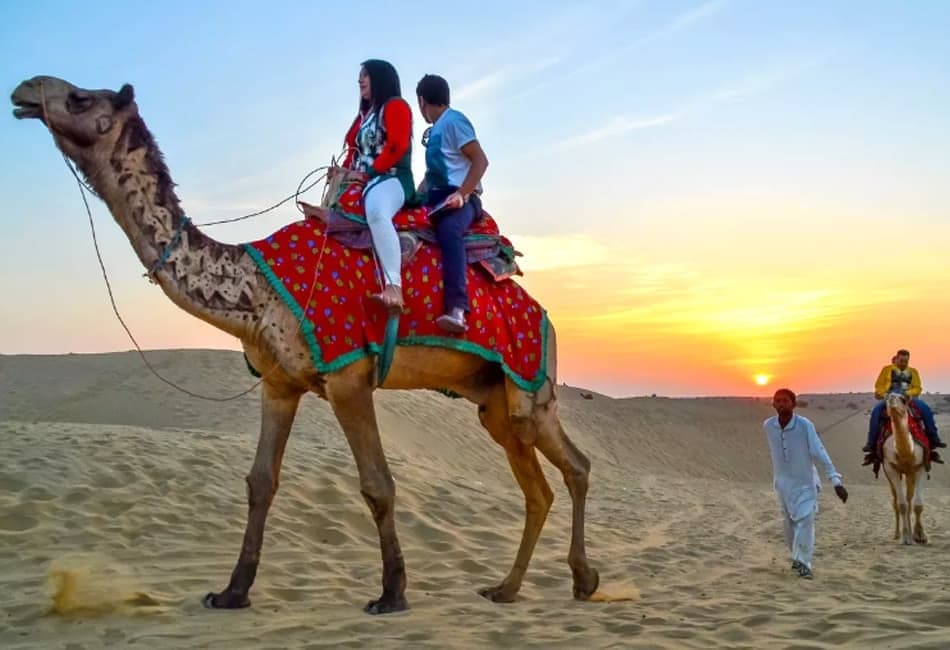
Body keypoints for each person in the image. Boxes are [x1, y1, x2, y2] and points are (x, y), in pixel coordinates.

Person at [339, 59, 416, 311]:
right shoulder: (364, 117)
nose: (360, 80)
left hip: (391, 178)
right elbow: (354, 151)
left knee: (376, 212)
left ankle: (394, 286)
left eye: (366, 75)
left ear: (380, 78)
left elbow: (397, 146)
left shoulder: (395, 107)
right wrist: (343, 173)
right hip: (364, 180)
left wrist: (368, 174)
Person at [415, 74, 489, 333]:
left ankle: (457, 308)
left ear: (422, 101)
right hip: (435, 198)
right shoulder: (436, 130)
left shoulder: (455, 121)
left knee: (449, 231)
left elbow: (480, 160)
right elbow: (433, 175)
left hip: (461, 199)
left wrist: (463, 194)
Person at [764, 388, 848, 579]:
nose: (781, 404)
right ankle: (796, 558)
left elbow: (819, 451)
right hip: (783, 484)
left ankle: (803, 562)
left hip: (806, 483)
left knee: (805, 520)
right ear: (773, 404)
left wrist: (835, 480)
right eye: (778, 401)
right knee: (789, 524)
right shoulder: (768, 426)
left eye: (785, 401)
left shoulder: (804, 425)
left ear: (793, 404)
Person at [862, 349, 944, 464]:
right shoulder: (887, 370)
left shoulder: (913, 371)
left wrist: (908, 394)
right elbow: (879, 386)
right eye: (901, 360)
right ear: (897, 358)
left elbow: (917, 387)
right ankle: (871, 444)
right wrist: (884, 394)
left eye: (906, 361)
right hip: (890, 396)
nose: (903, 363)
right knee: (876, 412)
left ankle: (934, 439)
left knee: (926, 409)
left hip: (908, 397)